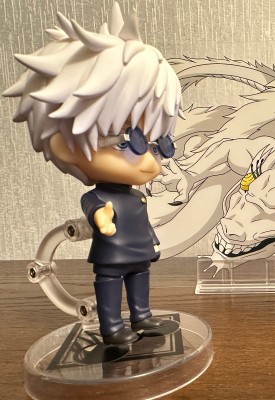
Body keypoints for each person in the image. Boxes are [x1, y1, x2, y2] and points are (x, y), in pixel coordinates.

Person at [4, 2, 183, 345]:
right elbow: (94, 207)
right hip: (112, 256)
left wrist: (151, 242)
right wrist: (100, 218)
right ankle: (112, 327)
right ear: (63, 144)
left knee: (140, 280)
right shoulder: (98, 196)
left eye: (159, 144)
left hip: (138, 253)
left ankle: (142, 317)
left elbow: (141, 219)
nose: (151, 162)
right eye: (127, 142)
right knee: (110, 284)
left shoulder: (134, 194)